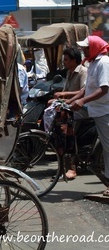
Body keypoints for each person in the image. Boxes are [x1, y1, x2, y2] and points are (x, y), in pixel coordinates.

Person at [68, 35, 109, 196]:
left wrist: (82, 100)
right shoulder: (92, 63)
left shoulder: (104, 63)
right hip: (94, 109)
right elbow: (86, 89)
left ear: (94, 47)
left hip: (104, 110)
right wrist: (70, 101)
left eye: (86, 47)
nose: (84, 50)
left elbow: (104, 89)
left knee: (108, 148)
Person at [49, 47, 87, 179]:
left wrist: (65, 95)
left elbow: (83, 91)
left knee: (68, 134)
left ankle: (72, 168)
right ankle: (61, 168)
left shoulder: (83, 72)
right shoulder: (69, 73)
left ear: (74, 60)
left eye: (66, 60)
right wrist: (56, 100)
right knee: (57, 132)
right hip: (69, 108)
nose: (64, 62)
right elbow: (65, 94)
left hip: (81, 109)